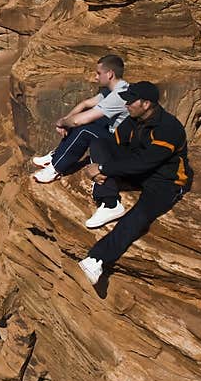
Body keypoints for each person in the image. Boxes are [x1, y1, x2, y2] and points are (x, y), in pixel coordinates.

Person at [78, 81, 193, 285]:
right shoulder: (134, 119)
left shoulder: (168, 128)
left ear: (146, 104)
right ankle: (111, 202)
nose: (126, 105)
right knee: (99, 142)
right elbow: (114, 145)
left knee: (139, 216)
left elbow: (143, 163)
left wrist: (103, 169)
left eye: (131, 101)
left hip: (166, 181)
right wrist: (103, 169)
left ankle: (97, 259)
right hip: (140, 170)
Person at [32, 55, 129, 183]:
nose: (96, 77)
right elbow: (85, 104)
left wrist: (61, 122)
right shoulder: (113, 90)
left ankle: (56, 168)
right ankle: (56, 155)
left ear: (110, 74)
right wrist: (67, 120)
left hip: (122, 145)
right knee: (80, 120)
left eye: (99, 73)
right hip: (114, 135)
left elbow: (79, 121)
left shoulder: (119, 95)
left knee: (84, 129)